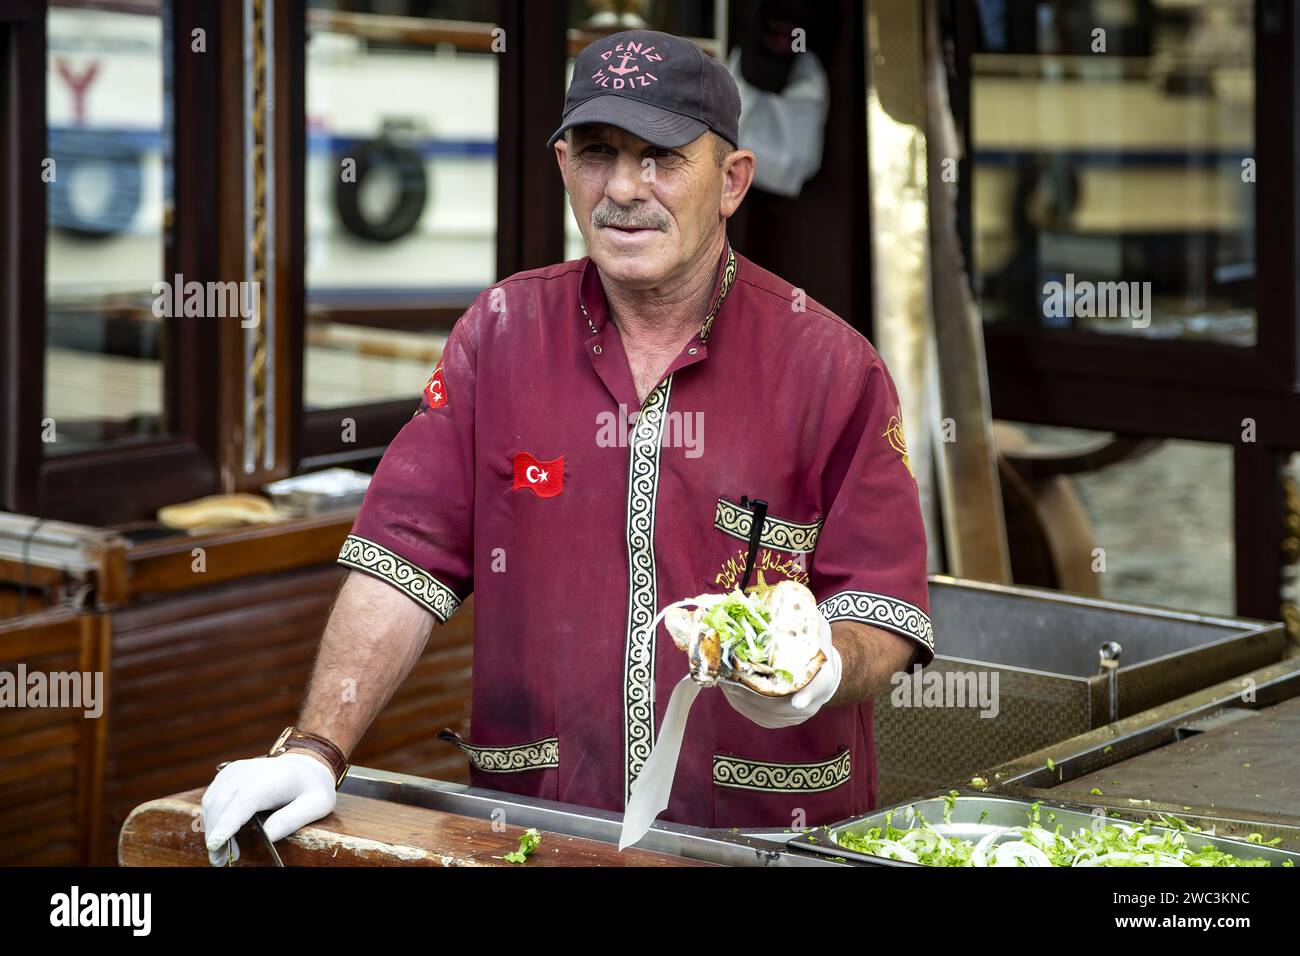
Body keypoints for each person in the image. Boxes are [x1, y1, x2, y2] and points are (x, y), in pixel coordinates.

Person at [202, 29, 931, 863]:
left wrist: (821, 671)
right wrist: (315, 747)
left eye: (661, 155)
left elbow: (884, 607)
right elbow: (399, 560)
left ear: (731, 181)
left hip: (763, 840)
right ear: (561, 166)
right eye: (597, 153)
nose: (625, 186)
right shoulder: (501, 334)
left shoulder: (830, 365)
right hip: (542, 832)